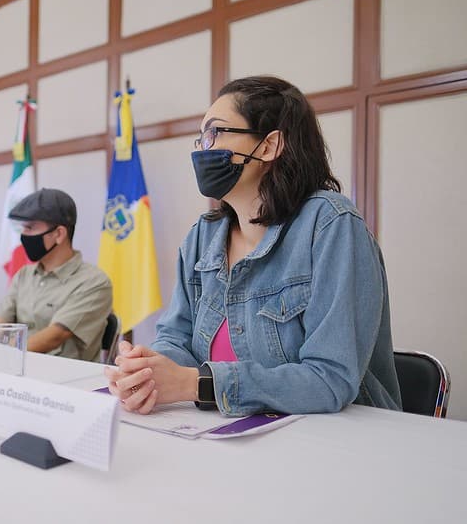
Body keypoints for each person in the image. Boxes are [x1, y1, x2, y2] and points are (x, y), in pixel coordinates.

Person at [105, 76, 401, 417]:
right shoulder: (202, 236)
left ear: (268, 146)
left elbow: (330, 379)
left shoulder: (330, 223)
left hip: (342, 435)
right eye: (201, 137)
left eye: (215, 132)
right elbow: (176, 338)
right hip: (235, 432)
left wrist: (196, 384)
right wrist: (146, 371)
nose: (202, 149)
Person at [0, 188, 113, 362]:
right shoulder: (24, 274)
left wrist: (3, 357)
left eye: (30, 228)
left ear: (59, 234)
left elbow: (55, 336)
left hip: (64, 374)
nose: (23, 236)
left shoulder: (93, 282)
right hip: (16, 367)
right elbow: (0, 321)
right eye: (23, 228)